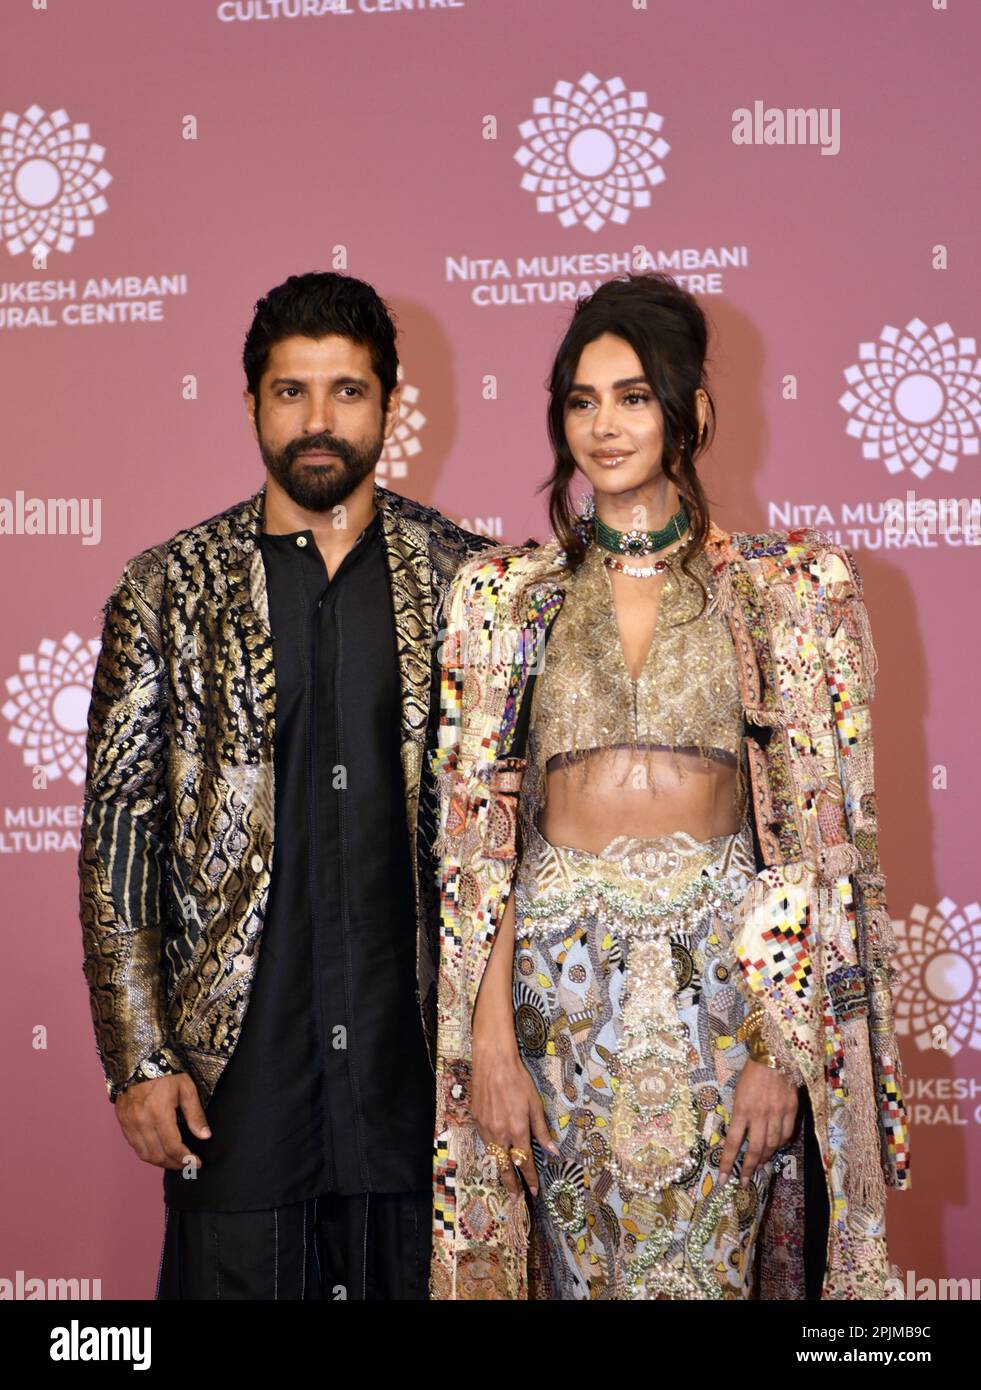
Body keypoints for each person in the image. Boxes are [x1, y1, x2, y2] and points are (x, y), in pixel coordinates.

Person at [428, 272, 910, 1300]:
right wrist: (490, 1037)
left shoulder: (784, 592)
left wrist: (783, 1044)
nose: (605, 425)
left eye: (634, 396)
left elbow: (814, 846)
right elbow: (484, 848)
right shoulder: (504, 598)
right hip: (557, 1004)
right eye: (582, 400)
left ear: (690, 410)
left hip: (724, 1003)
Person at [77, 271, 495, 1300]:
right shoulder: (167, 588)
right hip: (241, 1086)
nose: (319, 420)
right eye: (290, 391)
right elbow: (119, 839)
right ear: (253, 403)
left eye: (347, 391)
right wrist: (136, 1059)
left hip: (419, 1092)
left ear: (391, 404)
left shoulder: (470, 585)